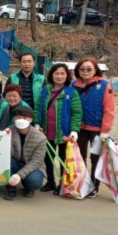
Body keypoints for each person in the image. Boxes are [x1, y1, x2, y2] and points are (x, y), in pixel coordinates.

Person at [34, 63, 82, 194]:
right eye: (56, 73)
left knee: (63, 160)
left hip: (63, 133)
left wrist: (74, 130)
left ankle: (62, 183)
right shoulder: (45, 90)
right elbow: (38, 108)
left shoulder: (72, 92)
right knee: (47, 159)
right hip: (46, 131)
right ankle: (50, 182)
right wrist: (37, 124)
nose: (59, 76)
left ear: (67, 75)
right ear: (51, 75)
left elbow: (77, 113)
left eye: (62, 73)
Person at [72, 57, 115, 198]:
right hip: (79, 128)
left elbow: (109, 109)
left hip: (97, 130)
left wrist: (105, 130)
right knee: (79, 157)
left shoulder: (104, 86)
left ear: (95, 70)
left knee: (95, 158)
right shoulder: (73, 85)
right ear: (78, 70)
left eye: (89, 69)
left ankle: (94, 186)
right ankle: (82, 183)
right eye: (82, 69)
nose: (85, 71)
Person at [4, 106, 47, 201]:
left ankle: (28, 188)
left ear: (31, 119)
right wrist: (6, 138)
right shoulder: (9, 130)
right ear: (14, 118)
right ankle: (10, 189)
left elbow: (37, 161)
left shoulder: (40, 137)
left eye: (25, 117)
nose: (21, 120)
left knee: (34, 181)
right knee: (7, 163)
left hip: (32, 165)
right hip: (15, 161)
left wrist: (19, 175)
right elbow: (7, 154)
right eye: (18, 117)